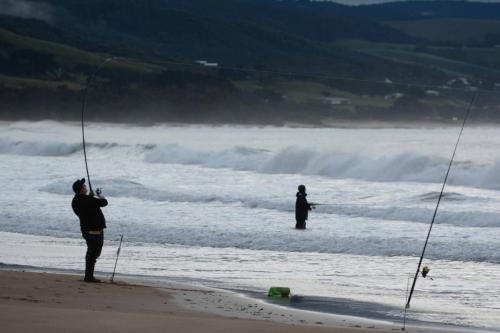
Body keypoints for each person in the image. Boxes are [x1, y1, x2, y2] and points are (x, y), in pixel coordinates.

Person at [71, 178, 108, 283]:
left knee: (92, 252)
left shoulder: (75, 201)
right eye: (84, 186)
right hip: (94, 231)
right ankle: (89, 276)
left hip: (86, 230)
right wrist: (97, 195)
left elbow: (87, 205)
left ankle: (88, 275)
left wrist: (90, 197)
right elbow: (104, 202)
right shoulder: (87, 200)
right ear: (81, 189)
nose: (86, 187)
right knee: (94, 253)